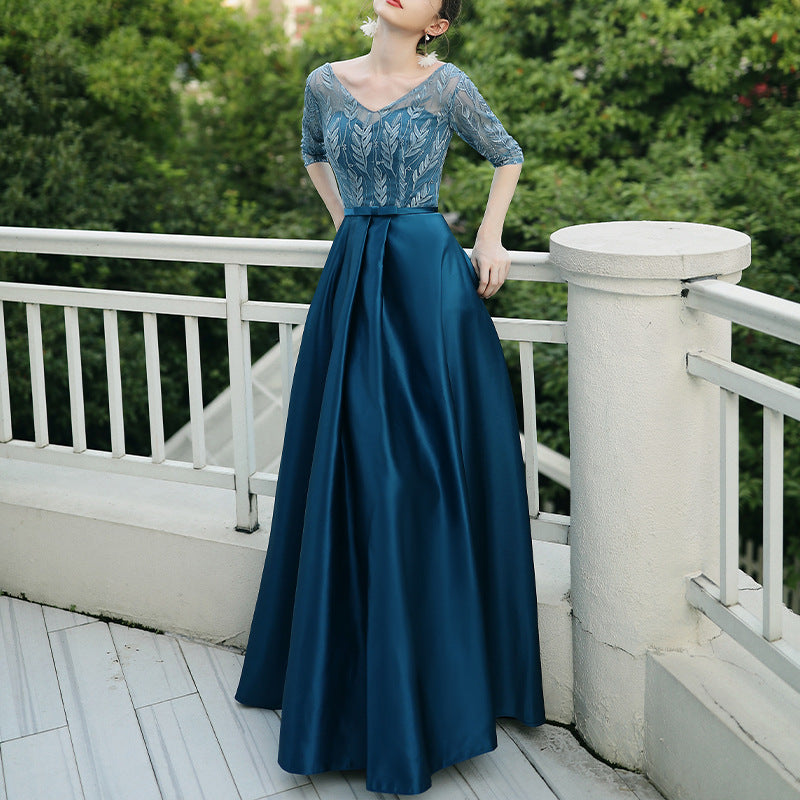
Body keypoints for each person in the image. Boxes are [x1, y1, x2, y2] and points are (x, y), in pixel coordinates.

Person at [235, 0, 546, 794]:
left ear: (437, 24)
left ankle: (433, 686)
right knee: (350, 463)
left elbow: (506, 153)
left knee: (420, 473)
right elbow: (312, 152)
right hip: (354, 275)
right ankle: (349, 679)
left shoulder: (448, 86)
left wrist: (487, 235)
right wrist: (349, 222)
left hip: (425, 279)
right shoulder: (324, 83)